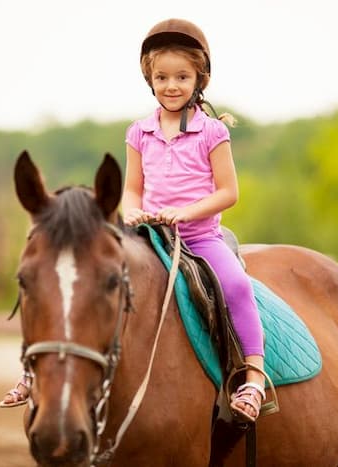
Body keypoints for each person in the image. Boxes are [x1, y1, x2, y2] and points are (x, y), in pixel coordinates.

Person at [121, 18, 266, 423]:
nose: (171, 85)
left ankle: (254, 374)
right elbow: (132, 187)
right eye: (162, 76)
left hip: (199, 238)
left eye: (182, 76)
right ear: (149, 78)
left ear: (198, 78)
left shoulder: (211, 131)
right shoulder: (138, 133)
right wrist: (130, 209)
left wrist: (186, 212)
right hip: (150, 236)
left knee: (236, 284)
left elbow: (228, 192)